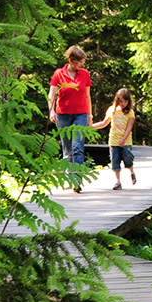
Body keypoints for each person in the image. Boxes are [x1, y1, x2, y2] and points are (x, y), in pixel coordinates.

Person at [47, 46, 92, 192]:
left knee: (78, 147)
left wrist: (90, 115)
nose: (82, 64)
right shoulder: (58, 74)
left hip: (80, 114)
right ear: (72, 61)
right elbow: (52, 95)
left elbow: (87, 96)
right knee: (67, 150)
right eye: (80, 62)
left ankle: (77, 181)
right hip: (63, 115)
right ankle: (68, 178)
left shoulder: (85, 74)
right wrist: (51, 112)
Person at [91, 87, 137, 190]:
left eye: (125, 101)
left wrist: (124, 139)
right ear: (117, 100)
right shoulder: (112, 110)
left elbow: (129, 127)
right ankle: (118, 181)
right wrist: (91, 126)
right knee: (115, 161)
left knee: (127, 159)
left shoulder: (130, 112)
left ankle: (131, 171)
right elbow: (104, 123)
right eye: (120, 101)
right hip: (113, 141)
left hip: (126, 141)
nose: (123, 103)